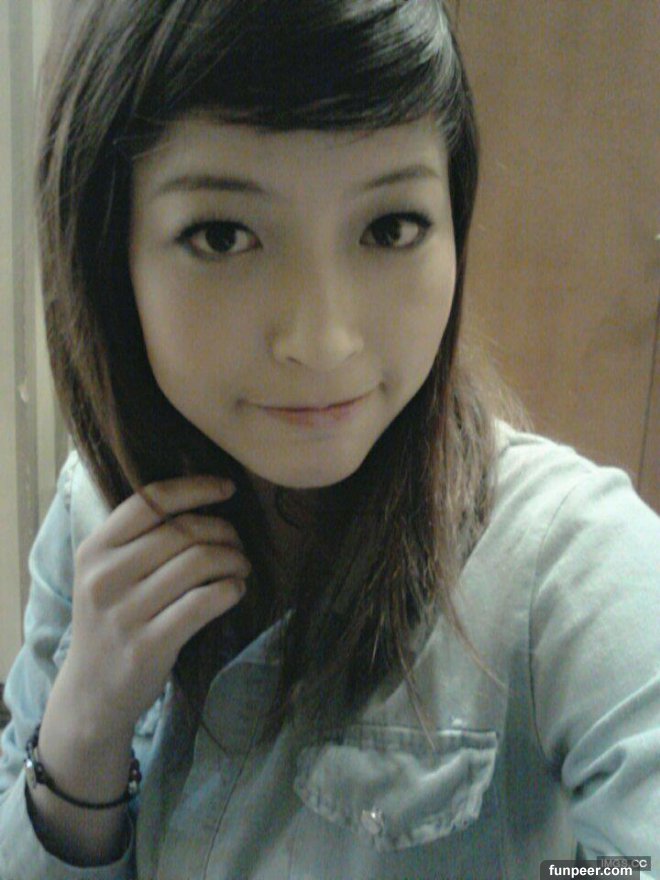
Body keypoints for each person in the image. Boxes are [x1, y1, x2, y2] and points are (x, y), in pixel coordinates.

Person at [1, 0, 658, 877]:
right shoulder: (97, 511)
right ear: (109, 256)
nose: (323, 341)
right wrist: (83, 731)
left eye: (390, 227)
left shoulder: (566, 561)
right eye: (223, 236)